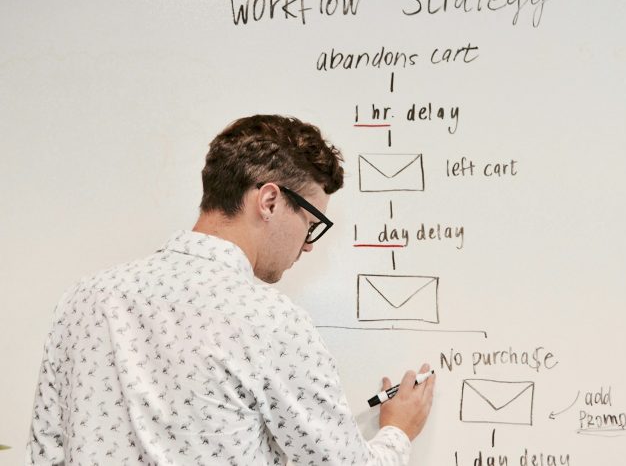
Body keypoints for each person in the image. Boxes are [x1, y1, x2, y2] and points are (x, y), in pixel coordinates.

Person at [26, 115, 435, 465]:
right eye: (312, 223)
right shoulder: (270, 321)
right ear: (271, 201)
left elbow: (46, 452)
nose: (309, 243)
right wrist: (399, 430)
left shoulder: (84, 299)